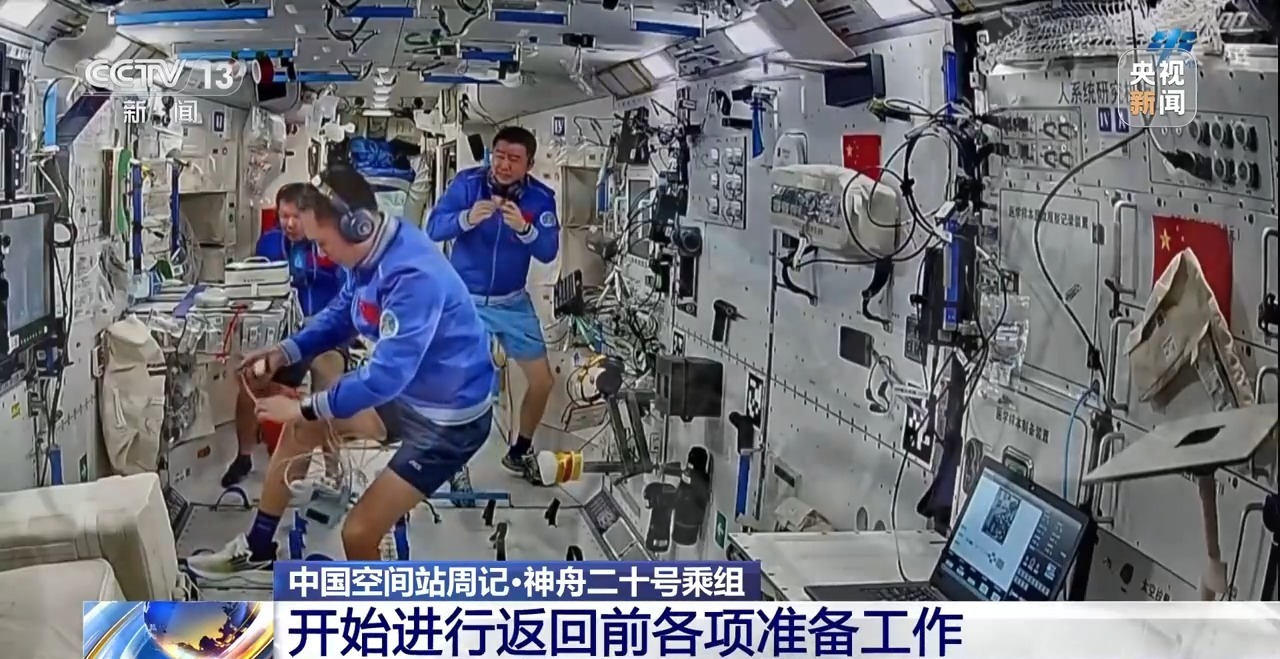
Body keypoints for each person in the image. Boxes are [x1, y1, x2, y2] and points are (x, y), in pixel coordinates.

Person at [186, 166, 496, 582]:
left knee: (358, 533)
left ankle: (376, 614)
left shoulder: (412, 276)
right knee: (302, 431)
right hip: (410, 393)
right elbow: (343, 313)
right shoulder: (369, 252)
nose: (322, 252)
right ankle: (258, 548)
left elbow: (384, 379)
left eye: (322, 242)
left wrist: (304, 407)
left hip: (448, 421)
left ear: (357, 226)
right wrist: (284, 351)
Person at [221, 182, 383, 488]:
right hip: (284, 335)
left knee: (327, 380)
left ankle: (334, 470)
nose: (290, 223)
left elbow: (348, 300)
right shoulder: (270, 245)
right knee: (250, 379)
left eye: (296, 216)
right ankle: (243, 456)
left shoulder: (329, 245)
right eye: (284, 216)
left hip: (327, 338)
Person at [426, 126, 559, 480]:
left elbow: (548, 251)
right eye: (499, 156)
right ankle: (454, 464)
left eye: (514, 159)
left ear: (529, 164)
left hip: (512, 302)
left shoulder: (540, 198)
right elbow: (433, 227)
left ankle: (520, 451)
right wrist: (466, 218)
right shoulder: (467, 184)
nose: (504, 165)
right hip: (466, 302)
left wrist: (525, 230)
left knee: (543, 381)